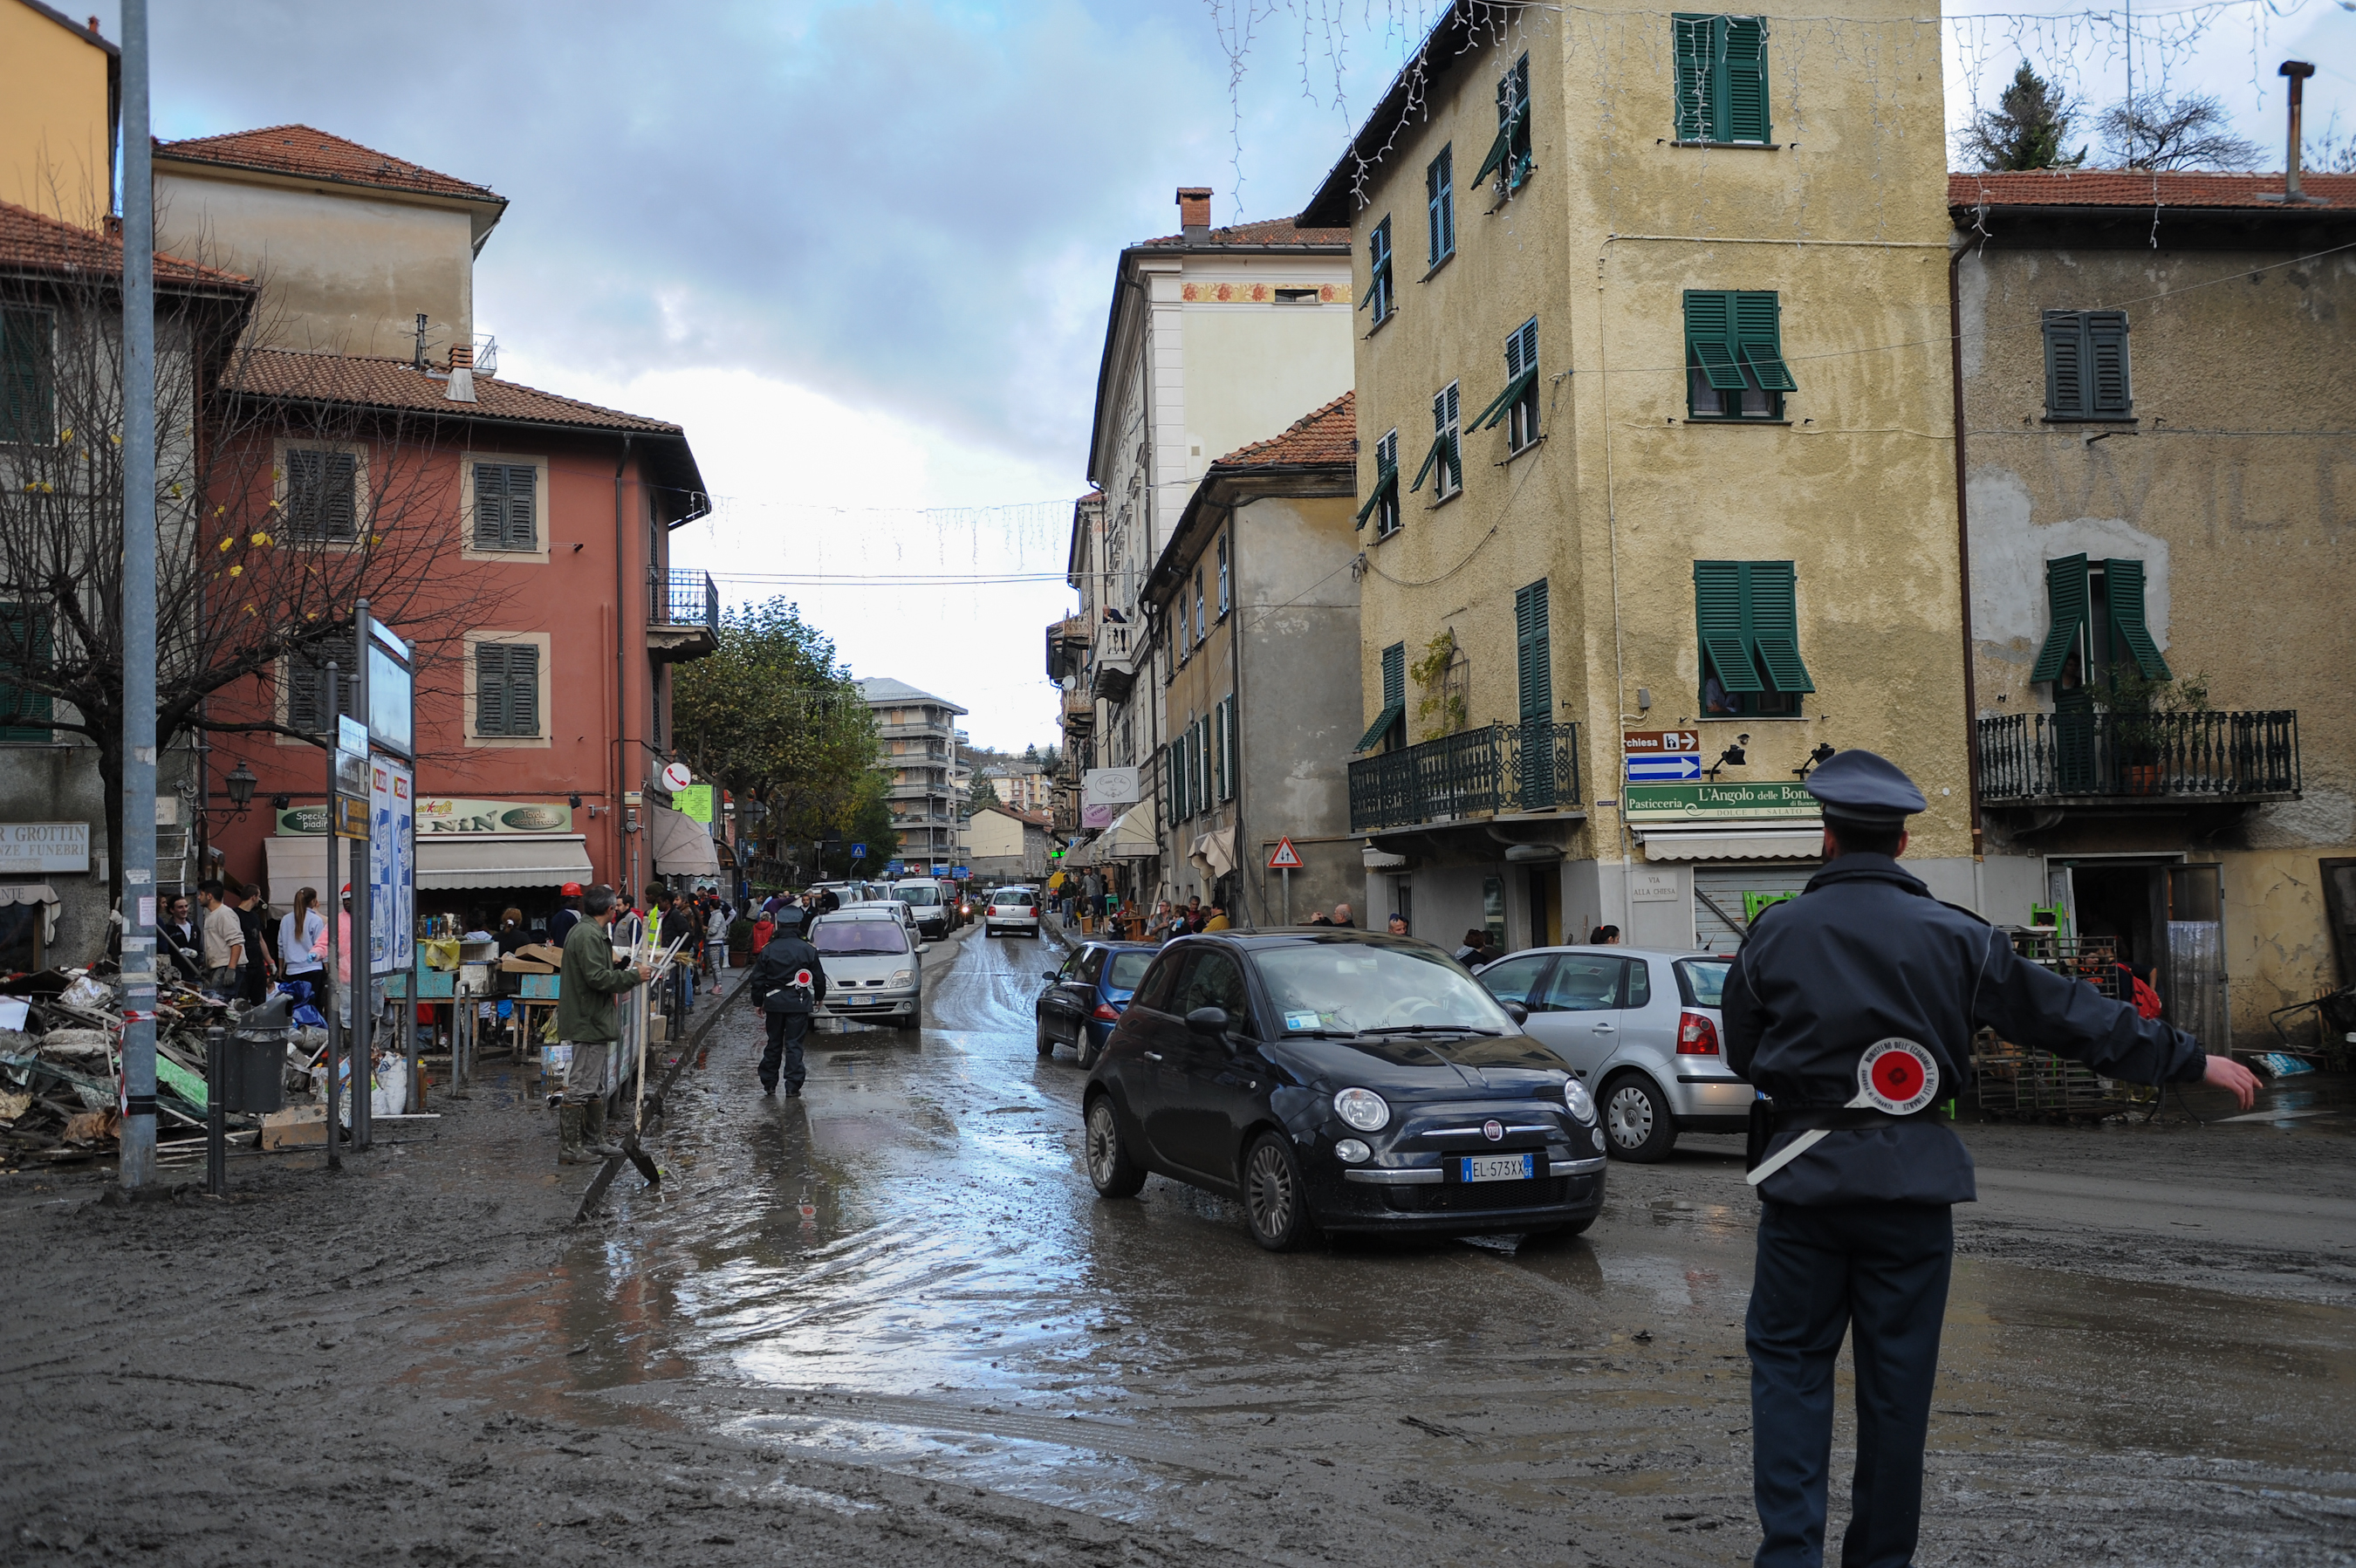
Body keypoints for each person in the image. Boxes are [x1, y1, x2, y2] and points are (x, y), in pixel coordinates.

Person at [1723, 749, 2258, 1568]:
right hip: (1913, 1195)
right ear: (1902, 843)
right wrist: (2189, 1059)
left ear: (1826, 838)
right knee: (1897, 1399)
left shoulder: (1773, 933)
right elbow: (2071, 1016)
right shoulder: (1959, 937)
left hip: (1805, 1191)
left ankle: (1788, 1557)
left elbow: (1742, 1051)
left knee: (1789, 1375)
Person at [552, 885, 654, 1164]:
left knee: (595, 1085)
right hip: (588, 1018)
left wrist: (619, 966)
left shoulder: (588, 932)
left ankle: (594, 1141)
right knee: (582, 1085)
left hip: (592, 1017)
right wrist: (634, 976)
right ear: (610, 910)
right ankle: (570, 1148)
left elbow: (599, 970)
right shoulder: (587, 934)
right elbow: (597, 978)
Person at [746, 906, 827, 1098]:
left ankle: (769, 1083)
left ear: (779, 925)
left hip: (774, 1003)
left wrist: (758, 1002)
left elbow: (757, 979)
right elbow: (818, 977)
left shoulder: (768, 950)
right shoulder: (807, 949)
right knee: (794, 1044)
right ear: (798, 925)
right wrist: (819, 997)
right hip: (798, 1003)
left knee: (774, 1043)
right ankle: (792, 1085)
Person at [195, 880, 244, 1001]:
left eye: (201, 894)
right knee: (214, 1002)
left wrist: (231, 970)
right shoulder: (211, 915)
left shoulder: (225, 914)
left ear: (209, 896)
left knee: (218, 1003)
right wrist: (208, 967)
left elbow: (237, 942)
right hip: (219, 967)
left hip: (226, 967)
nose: (198, 897)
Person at [279, 887, 325, 998]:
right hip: (313, 968)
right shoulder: (315, 920)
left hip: (292, 969)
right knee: (312, 1005)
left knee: (294, 1006)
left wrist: (281, 968)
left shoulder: (285, 919)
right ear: (313, 901)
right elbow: (321, 945)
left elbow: (281, 946)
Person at [233, 884, 274, 1004]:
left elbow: (260, 940)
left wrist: (270, 962)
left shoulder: (255, 916)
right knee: (241, 1001)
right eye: (259, 896)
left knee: (260, 1001)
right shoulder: (234, 915)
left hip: (258, 965)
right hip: (242, 965)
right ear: (254, 897)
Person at [161, 894, 203, 985]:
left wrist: (201, 966)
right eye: (180, 907)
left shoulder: (194, 928)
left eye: (186, 906)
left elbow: (200, 950)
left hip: (195, 975)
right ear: (172, 910)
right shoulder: (167, 929)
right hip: (176, 977)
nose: (184, 910)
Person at [549, 883, 584, 948]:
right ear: (570, 899)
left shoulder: (556, 917)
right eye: (577, 898)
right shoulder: (573, 914)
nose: (579, 901)